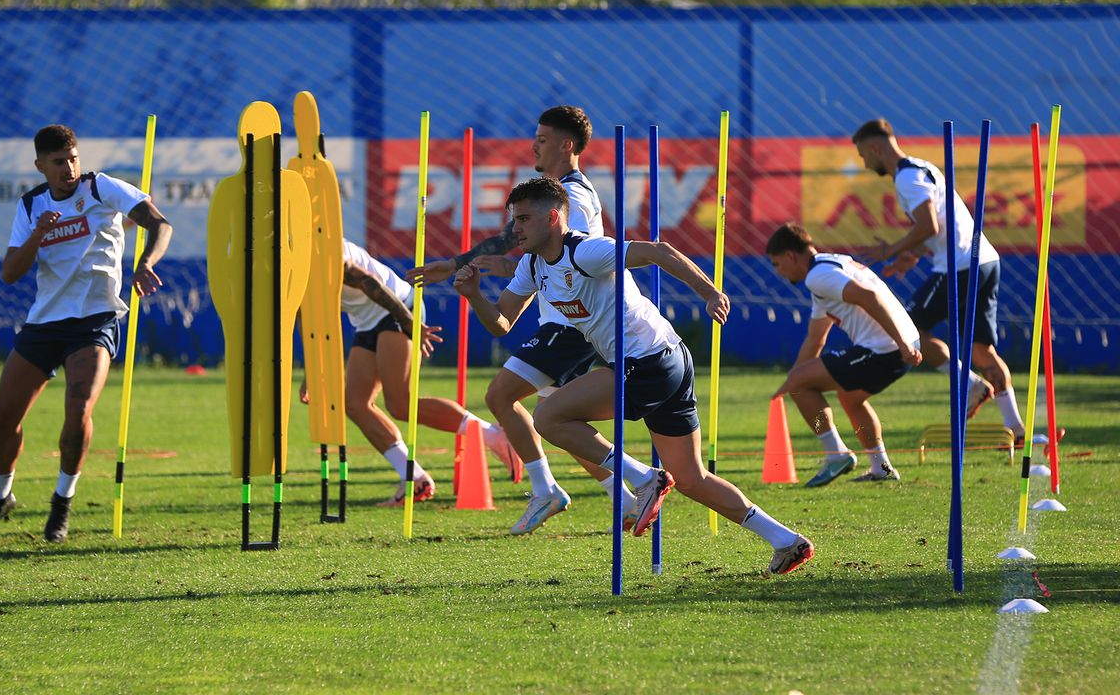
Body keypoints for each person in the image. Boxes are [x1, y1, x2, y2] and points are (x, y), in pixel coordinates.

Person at [454, 177, 814, 575]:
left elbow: (658, 251)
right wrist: (474, 296)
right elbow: (502, 323)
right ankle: (786, 540)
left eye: (522, 219)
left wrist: (710, 292)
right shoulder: (532, 265)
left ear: (553, 217)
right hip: (671, 358)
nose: (515, 229)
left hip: (647, 361)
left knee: (549, 416)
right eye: (513, 220)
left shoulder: (587, 251)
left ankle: (645, 478)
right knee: (692, 478)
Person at [407, 105, 634, 535]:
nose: (534, 145)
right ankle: (621, 496)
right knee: (554, 418)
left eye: (543, 138)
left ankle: (572, 487)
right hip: (564, 319)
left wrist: (508, 270)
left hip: (573, 323)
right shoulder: (554, 193)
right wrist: (457, 262)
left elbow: (573, 259)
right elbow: (515, 242)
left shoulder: (575, 198)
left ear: (567, 145)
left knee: (503, 396)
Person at [0, 124, 173, 543]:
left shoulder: (101, 189)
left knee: (78, 409)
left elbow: (160, 224)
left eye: (73, 158)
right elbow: (9, 274)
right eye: (59, 162)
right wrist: (39, 234)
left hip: (95, 321)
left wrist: (147, 262)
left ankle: (62, 501)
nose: (69, 168)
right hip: (45, 324)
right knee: (5, 417)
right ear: (40, 165)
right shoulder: (31, 206)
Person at [301, 238, 522, 506]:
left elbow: (368, 282)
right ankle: (415, 479)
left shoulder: (316, 245)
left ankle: (493, 435)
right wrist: (311, 373)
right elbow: (309, 317)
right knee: (355, 404)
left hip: (397, 305)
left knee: (401, 403)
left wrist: (409, 321)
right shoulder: (283, 263)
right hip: (366, 320)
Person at [852, 118, 1026, 443]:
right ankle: (1017, 430)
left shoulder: (906, 178)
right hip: (984, 260)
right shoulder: (921, 166)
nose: (865, 163)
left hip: (957, 266)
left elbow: (929, 226)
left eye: (864, 155)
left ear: (876, 147)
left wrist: (892, 249)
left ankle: (971, 385)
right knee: (982, 350)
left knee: (909, 331)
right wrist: (911, 255)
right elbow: (942, 225)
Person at [766, 223, 923, 486]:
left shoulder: (818, 277)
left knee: (801, 386)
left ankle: (836, 454)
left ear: (791, 256)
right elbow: (816, 338)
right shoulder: (830, 265)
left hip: (886, 348)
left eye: (777, 263)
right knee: (851, 399)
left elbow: (869, 297)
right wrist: (790, 380)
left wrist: (903, 345)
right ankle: (881, 467)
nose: (778, 271)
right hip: (896, 344)